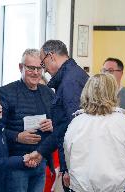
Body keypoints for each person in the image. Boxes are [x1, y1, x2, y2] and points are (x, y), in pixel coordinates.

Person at [64, 73, 125, 192]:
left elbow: (69, 159)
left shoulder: (76, 123)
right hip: (119, 189)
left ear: (87, 92)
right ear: (113, 92)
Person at [26, 40, 89, 191]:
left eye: (42, 64)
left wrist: (67, 168)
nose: (44, 70)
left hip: (76, 162)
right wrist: (41, 152)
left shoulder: (69, 82)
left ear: (51, 56)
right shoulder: (73, 75)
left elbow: (73, 127)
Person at [0, 48, 55, 192]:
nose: (35, 72)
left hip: (40, 160)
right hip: (16, 163)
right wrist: (17, 137)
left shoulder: (48, 93)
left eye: (39, 68)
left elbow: (59, 123)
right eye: (31, 68)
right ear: (21, 67)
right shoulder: (5, 92)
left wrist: (52, 125)